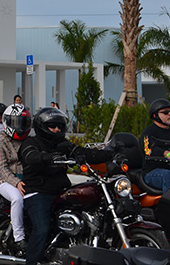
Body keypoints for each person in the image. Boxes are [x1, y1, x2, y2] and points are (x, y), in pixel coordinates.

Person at [19, 107, 114, 265]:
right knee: (42, 229)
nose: (57, 129)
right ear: (41, 126)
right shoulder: (31, 143)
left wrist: (111, 154)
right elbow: (31, 156)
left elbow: (85, 153)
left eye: (60, 126)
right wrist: (49, 158)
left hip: (60, 192)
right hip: (38, 192)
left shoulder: (62, 144)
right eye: (53, 126)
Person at [0, 104, 32, 255]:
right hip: (5, 181)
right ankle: (19, 238)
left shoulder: (29, 139)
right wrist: (16, 182)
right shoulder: (0, 140)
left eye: (23, 123)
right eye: (16, 123)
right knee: (17, 198)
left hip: (27, 179)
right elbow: (2, 168)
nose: (20, 127)